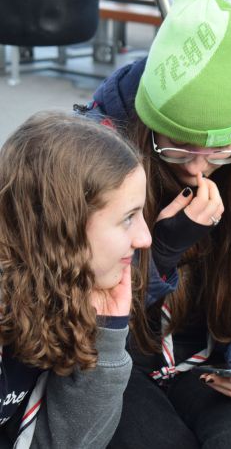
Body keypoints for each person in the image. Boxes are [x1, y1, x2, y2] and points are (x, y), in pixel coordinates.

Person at [76, 0, 231, 448]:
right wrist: (162, 250)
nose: (199, 168)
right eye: (179, 148)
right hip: (116, 360)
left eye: (220, 151)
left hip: (213, 358)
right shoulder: (90, 159)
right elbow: (74, 309)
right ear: (149, 125)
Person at [0, 112, 152, 448]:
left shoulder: (51, 293)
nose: (145, 238)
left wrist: (107, 336)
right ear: (62, 228)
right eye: (128, 218)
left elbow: (66, 442)